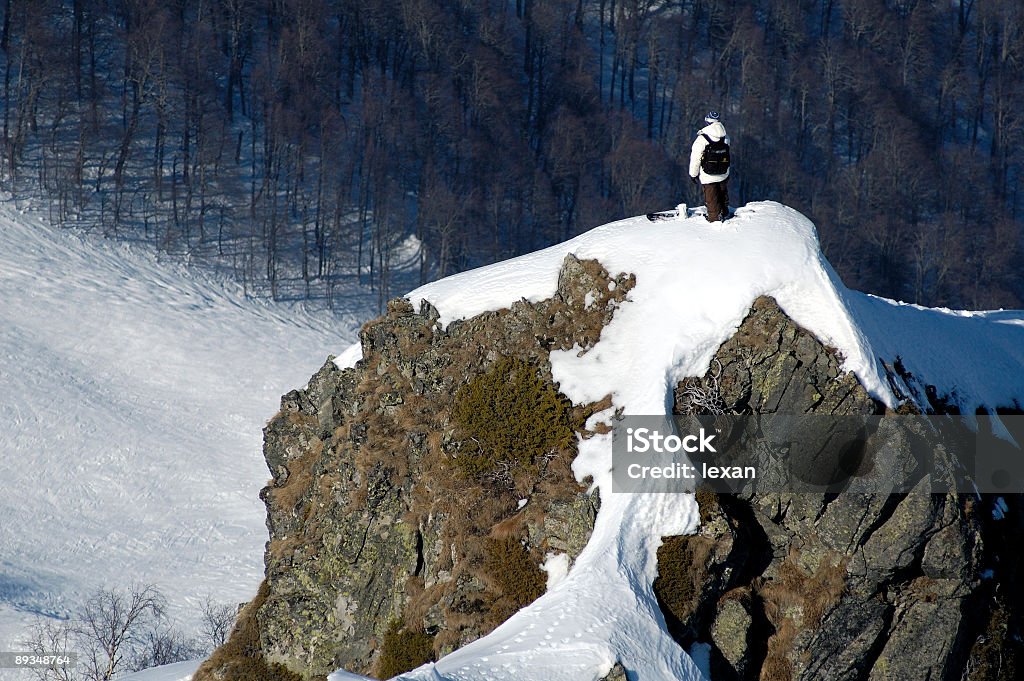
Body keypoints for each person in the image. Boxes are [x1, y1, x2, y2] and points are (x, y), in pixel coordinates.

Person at [688, 111, 731, 222]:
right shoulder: (726, 137)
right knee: (722, 193)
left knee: (711, 199)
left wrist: (693, 174)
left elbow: (695, 158)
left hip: (708, 174)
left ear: (707, 122)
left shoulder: (702, 139)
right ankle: (725, 212)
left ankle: (714, 219)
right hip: (723, 172)